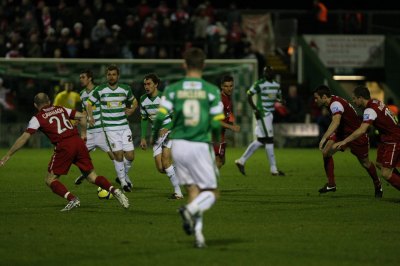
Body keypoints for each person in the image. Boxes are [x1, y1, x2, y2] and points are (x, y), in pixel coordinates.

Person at [0, 93, 129, 211]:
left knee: (50, 179)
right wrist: (83, 134)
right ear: (49, 101)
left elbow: (24, 137)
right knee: (92, 176)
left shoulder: (37, 118)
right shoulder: (61, 109)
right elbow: (82, 116)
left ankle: (73, 199)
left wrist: (8, 155)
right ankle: (116, 191)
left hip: (64, 146)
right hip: (77, 142)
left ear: (35, 105)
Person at [152, 47, 224, 248]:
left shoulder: (173, 89)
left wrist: (152, 136)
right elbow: (217, 122)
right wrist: (216, 140)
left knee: (193, 192)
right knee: (211, 193)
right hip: (200, 145)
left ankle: (199, 237)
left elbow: (159, 117)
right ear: (204, 65)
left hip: (180, 146)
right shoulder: (211, 91)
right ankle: (189, 211)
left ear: (184, 64)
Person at [313, 85, 382, 197]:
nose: (315, 100)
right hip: (341, 133)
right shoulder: (331, 102)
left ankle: (377, 183)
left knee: (365, 163)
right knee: (326, 152)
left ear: (324, 97)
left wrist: (324, 137)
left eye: (316, 98)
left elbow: (336, 122)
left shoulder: (335, 104)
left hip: (356, 135)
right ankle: (331, 184)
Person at [334, 86, 400, 192]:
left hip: (393, 139)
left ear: (360, 98)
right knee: (379, 164)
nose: (354, 101)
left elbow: (361, 130)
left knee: (386, 173)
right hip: (386, 138)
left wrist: (344, 141)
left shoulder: (369, 110)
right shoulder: (375, 101)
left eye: (354, 98)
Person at [86, 64, 137, 193]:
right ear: (106, 76)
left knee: (130, 156)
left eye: (114, 74)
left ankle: (122, 176)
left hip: (124, 127)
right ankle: (124, 182)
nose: (112, 77)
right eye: (109, 74)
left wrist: (132, 110)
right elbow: (89, 103)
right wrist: (90, 116)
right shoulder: (100, 89)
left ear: (118, 76)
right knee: (118, 155)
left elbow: (134, 101)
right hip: (110, 128)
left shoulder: (125, 89)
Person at [139, 73, 183, 199]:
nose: (146, 87)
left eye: (149, 84)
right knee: (161, 168)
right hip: (156, 134)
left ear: (156, 84)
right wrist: (143, 137)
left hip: (170, 131)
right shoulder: (143, 99)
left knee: (165, 160)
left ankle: (178, 193)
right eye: (145, 84)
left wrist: (166, 128)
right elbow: (144, 118)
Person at [234, 66, 285, 176]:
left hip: (269, 114)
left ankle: (241, 161)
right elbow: (249, 94)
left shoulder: (276, 85)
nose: (267, 74)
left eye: (269, 72)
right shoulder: (259, 83)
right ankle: (273, 169)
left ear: (273, 73)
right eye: (265, 72)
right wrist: (255, 109)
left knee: (261, 140)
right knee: (270, 139)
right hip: (262, 113)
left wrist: (281, 101)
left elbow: (277, 98)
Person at [74, 69, 116, 185]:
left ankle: (124, 177)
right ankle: (86, 173)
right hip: (89, 130)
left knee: (112, 153)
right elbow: (84, 110)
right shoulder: (82, 93)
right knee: (80, 155)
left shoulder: (99, 90)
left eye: (83, 77)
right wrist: (79, 119)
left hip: (102, 128)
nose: (81, 79)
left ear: (90, 78)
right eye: (80, 77)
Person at [213, 75, 240, 169]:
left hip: (221, 134)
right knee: (218, 161)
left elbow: (227, 114)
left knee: (222, 161)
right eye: (226, 86)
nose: (229, 89)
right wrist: (231, 127)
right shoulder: (220, 100)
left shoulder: (227, 98)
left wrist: (232, 123)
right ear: (221, 86)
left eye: (231, 86)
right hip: (215, 134)